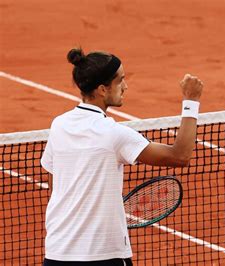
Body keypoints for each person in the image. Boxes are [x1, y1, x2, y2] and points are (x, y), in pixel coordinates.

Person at [40, 48, 203, 265]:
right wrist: (191, 101)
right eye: (120, 81)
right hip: (103, 255)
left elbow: (55, 187)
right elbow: (180, 155)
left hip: (57, 254)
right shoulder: (114, 133)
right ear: (102, 89)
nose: (125, 86)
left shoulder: (58, 125)